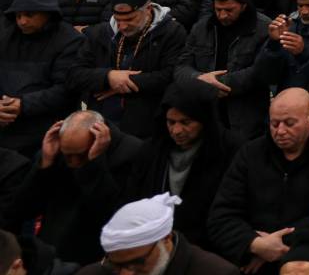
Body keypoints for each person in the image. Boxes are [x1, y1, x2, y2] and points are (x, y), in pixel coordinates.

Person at [206, 88, 309, 271]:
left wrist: (276, 247)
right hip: (246, 257)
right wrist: (254, 245)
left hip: (308, 258)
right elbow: (221, 215)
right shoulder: (250, 153)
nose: (280, 131)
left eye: (289, 123)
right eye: (274, 123)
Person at [24, 111, 145, 264]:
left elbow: (115, 215)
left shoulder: (133, 153)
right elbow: (24, 208)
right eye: (68, 156)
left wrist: (94, 165)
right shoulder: (55, 150)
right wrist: (45, 164)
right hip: (51, 252)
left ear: (98, 140)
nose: (73, 162)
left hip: (95, 258)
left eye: (81, 156)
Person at [74, 0, 186, 141]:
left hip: (146, 127)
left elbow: (170, 75)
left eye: (129, 19)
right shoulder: (101, 33)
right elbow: (75, 74)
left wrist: (123, 84)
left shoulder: (171, 33)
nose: (123, 26)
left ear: (147, 9)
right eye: (118, 20)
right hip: (101, 124)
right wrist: (109, 77)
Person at [129, 85, 230, 247]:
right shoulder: (152, 151)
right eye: (171, 122)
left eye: (185, 122)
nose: (176, 130)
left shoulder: (227, 151)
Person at [0, 0, 85, 156]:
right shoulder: (6, 36)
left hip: (46, 131)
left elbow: (65, 90)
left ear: (47, 13)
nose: (22, 21)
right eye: (18, 16)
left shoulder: (69, 40)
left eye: (29, 15)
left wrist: (22, 105)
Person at [77, 191, 238, 275]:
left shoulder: (215, 272)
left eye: (137, 262)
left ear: (165, 239)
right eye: (116, 265)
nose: (126, 274)